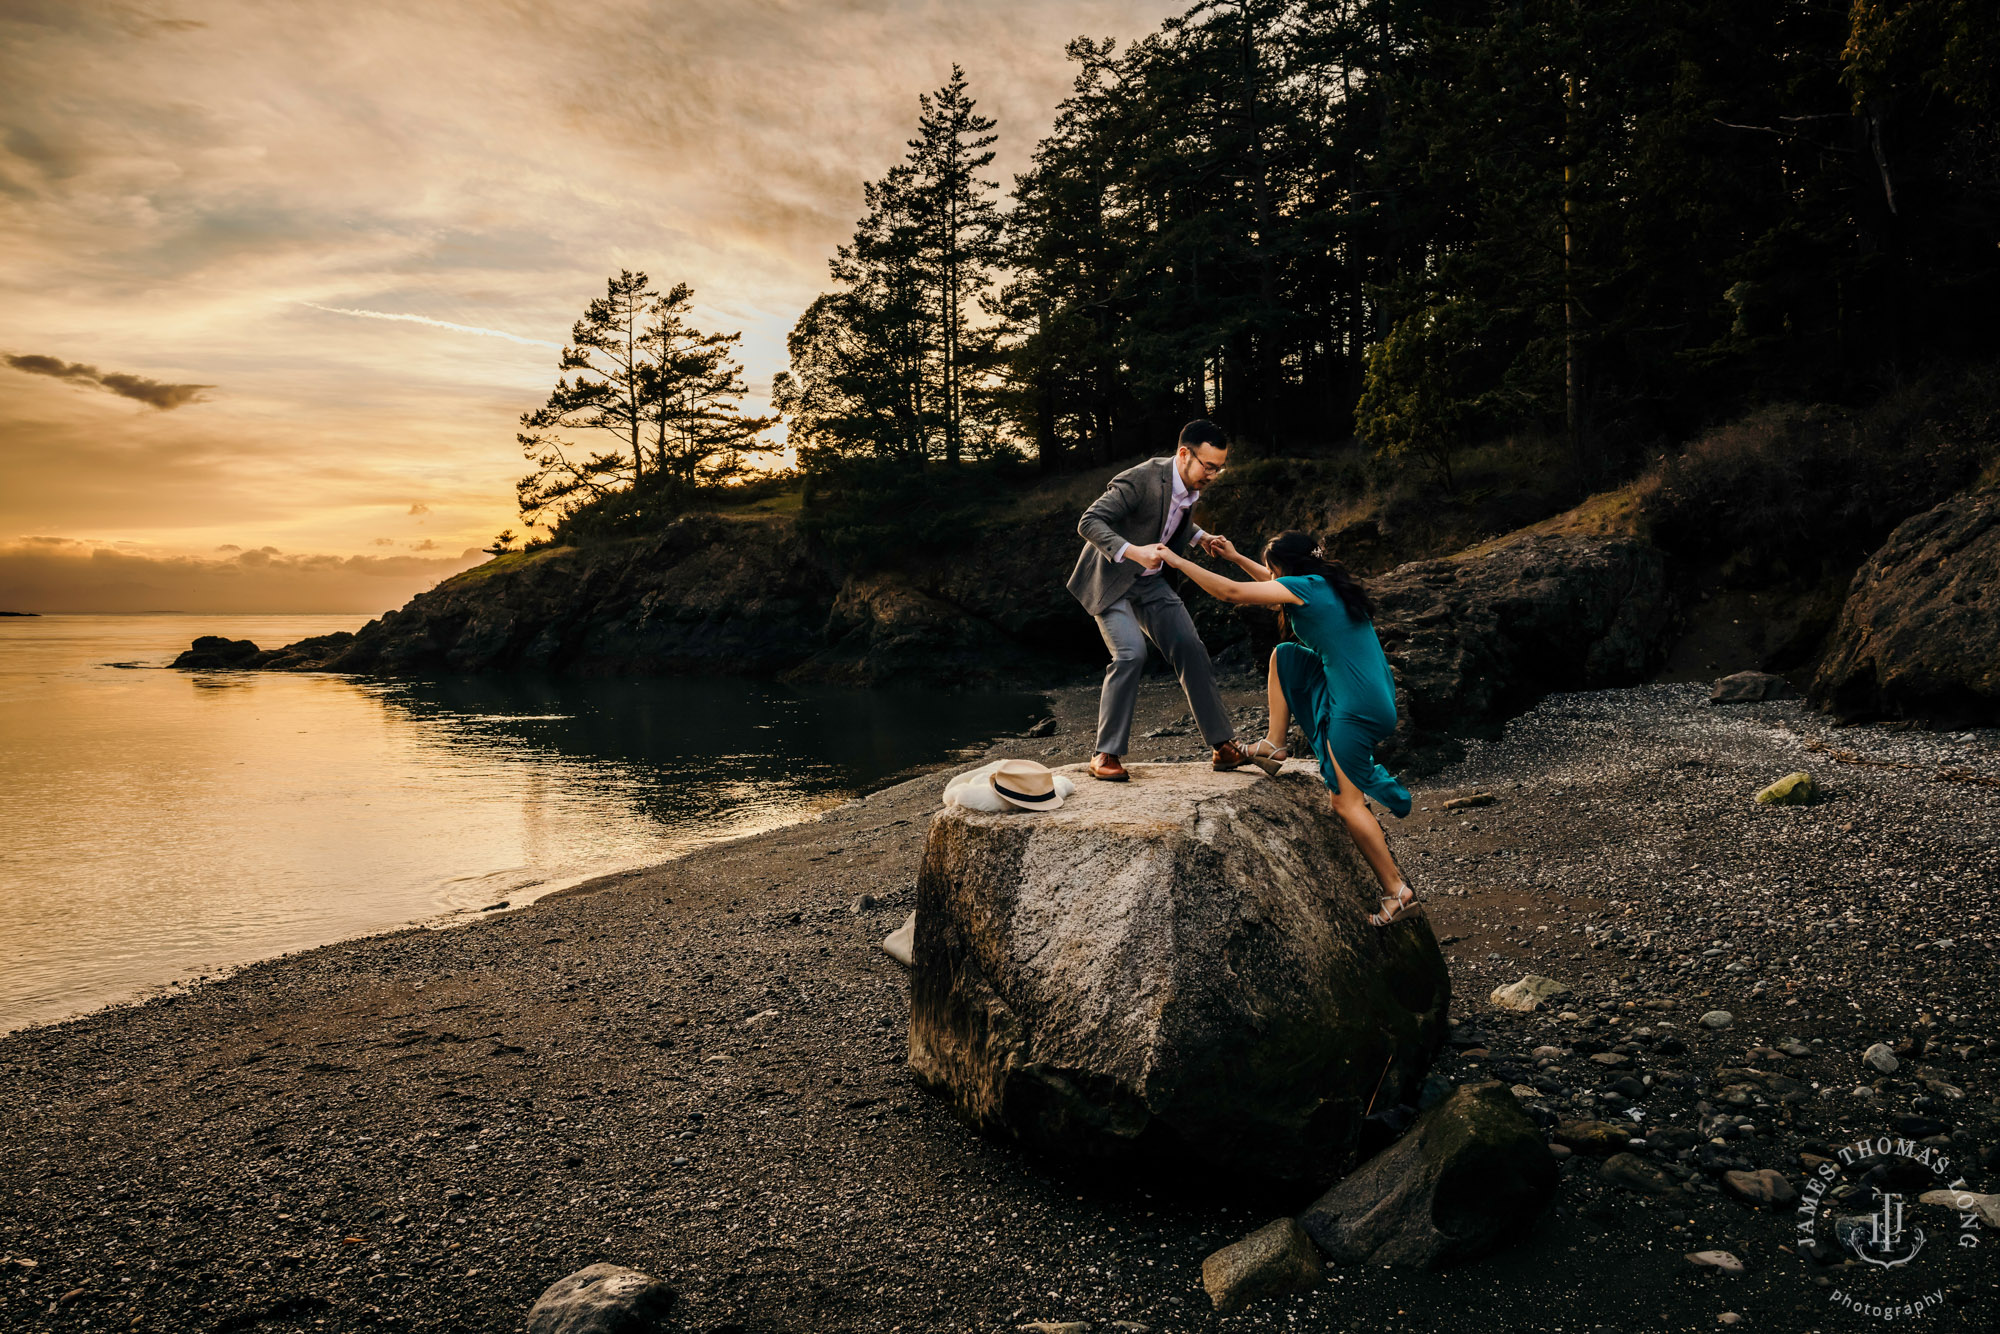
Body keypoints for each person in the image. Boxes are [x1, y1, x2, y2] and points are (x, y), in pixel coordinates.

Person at [1145, 529, 1419, 926]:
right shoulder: (1323, 583)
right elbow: (1272, 586)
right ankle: (1274, 745)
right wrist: (1236, 557)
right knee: (1286, 655)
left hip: (1357, 705)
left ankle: (1398, 892)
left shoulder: (1305, 587)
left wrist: (1177, 561)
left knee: (1345, 803)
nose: (1272, 576)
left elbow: (1233, 595)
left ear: (1287, 568)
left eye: (1274, 568)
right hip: (1368, 691)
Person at [1065, 420, 1249, 782]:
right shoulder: (1141, 478)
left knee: (1191, 648)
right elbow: (1090, 521)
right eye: (1208, 466)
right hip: (1112, 580)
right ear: (1184, 454)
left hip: (1152, 584)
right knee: (1131, 653)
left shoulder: (1187, 485)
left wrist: (1200, 537)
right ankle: (1105, 754)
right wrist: (1133, 552)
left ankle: (1223, 747)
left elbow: (1166, 518)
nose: (1213, 475)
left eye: (1219, 468)